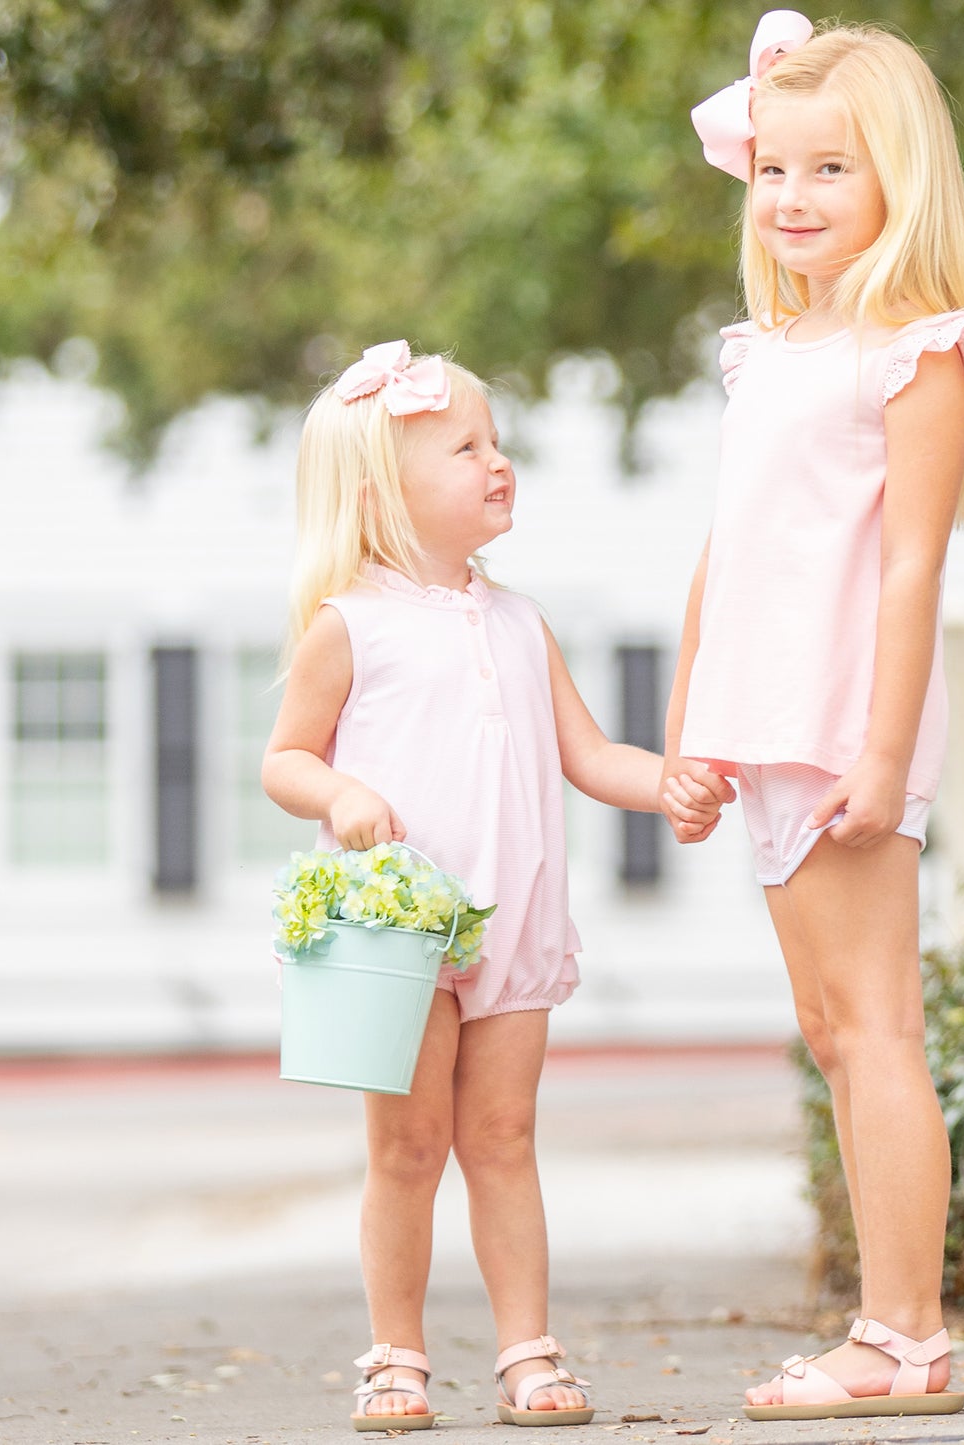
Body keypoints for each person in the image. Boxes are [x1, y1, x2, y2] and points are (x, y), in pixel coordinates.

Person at [263, 341, 733, 1432]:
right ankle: (395, 1352)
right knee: (407, 1145)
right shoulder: (351, 623)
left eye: (497, 441)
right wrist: (338, 794)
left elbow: (586, 752)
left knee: (504, 1138)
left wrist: (665, 783)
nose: (498, 462)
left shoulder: (520, 621)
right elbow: (284, 756)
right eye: (465, 445)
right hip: (399, 936)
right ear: (382, 490)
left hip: (513, 924)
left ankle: (527, 1346)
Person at [662, 10, 964, 1422]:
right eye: (772, 171)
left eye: (830, 171)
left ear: (897, 182)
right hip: (764, 727)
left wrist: (878, 748)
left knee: (875, 1030)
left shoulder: (916, 352)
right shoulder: (769, 350)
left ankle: (905, 1338)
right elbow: (724, 555)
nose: (793, 199)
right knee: (832, 1026)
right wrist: (690, 727)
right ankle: (885, 1327)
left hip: (844, 727)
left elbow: (915, 564)